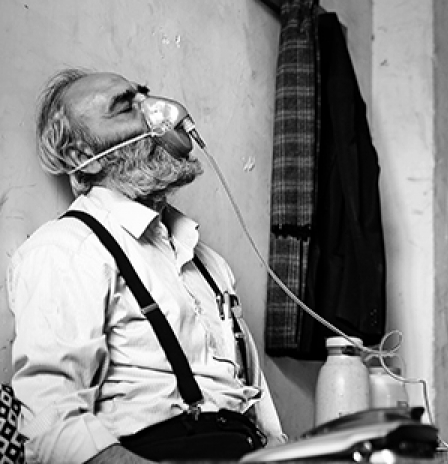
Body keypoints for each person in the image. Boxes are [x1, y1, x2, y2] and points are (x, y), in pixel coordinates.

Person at [7, 70, 287, 463]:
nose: (158, 113)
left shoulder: (208, 262)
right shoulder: (65, 251)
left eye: (145, 99)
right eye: (126, 108)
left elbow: (263, 414)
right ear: (82, 158)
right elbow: (52, 424)